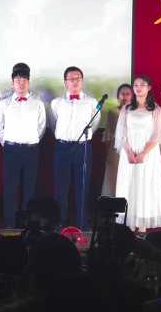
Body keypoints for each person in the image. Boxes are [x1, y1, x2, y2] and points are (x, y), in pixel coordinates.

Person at [0, 63, 46, 228]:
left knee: (30, 188)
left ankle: (28, 225)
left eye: (24, 80)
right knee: (10, 188)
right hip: (11, 150)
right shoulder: (4, 103)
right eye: (17, 80)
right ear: (12, 83)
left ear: (29, 82)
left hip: (31, 150)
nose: (21, 83)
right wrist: (5, 141)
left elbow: (41, 126)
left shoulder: (37, 103)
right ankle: (10, 224)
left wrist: (32, 139)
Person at [114, 75, 161, 231]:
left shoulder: (155, 109)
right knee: (129, 183)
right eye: (136, 85)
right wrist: (129, 152)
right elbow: (121, 132)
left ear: (149, 88)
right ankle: (129, 221)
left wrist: (143, 153)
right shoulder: (126, 109)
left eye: (142, 85)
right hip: (129, 152)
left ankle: (143, 222)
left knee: (145, 184)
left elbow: (157, 134)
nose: (138, 88)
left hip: (148, 153)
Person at [49, 66, 100, 228]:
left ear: (82, 81)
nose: (75, 82)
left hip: (83, 148)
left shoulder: (92, 102)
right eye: (71, 79)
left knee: (82, 186)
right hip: (62, 147)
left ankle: (82, 223)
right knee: (61, 187)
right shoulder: (57, 103)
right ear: (65, 82)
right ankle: (60, 222)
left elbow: (94, 124)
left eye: (78, 78)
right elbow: (53, 123)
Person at [101, 83, 133, 197]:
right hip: (115, 150)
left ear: (132, 96)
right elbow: (108, 134)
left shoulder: (136, 112)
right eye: (122, 94)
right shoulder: (113, 111)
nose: (125, 96)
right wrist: (109, 152)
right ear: (118, 96)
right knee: (115, 175)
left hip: (132, 149)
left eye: (127, 94)